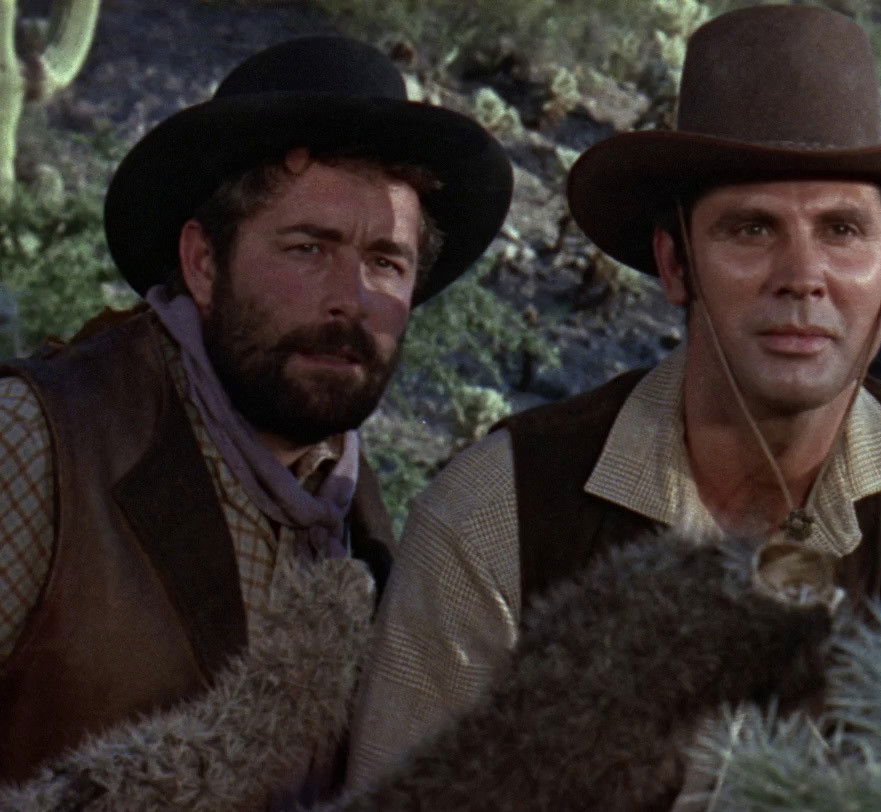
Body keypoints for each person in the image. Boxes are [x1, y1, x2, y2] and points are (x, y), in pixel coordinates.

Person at [347, 3, 881, 790]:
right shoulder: (499, 516)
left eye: (843, 231)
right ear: (675, 263)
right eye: (751, 229)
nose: (802, 276)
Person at [0, 36, 513, 801]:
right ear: (204, 264)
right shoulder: (43, 441)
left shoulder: (364, 519)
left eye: (385, 262)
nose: (351, 300)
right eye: (308, 248)